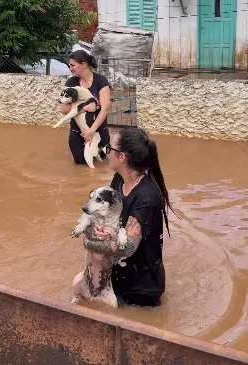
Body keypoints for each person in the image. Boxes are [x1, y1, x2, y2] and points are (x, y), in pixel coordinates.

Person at [83, 127, 172, 307]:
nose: (107, 153)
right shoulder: (119, 179)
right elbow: (110, 214)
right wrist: (97, 228)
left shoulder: (148, 197)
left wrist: (89, 243)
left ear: (122, 157)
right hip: (117, 277)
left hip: (141, 290)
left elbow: (129, 246)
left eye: (110, 149)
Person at [59, 50, 111, 165]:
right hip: (78, 133)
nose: (70, 68)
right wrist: (85, 108)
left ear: (83, 64)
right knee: (81, 164)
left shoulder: (100, 81)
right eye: (69, 66)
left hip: (99, 132)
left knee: (102, 164)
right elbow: (63, 110)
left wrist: (91, 131)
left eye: (72, 65)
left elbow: (105, 109)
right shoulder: (71, 82)